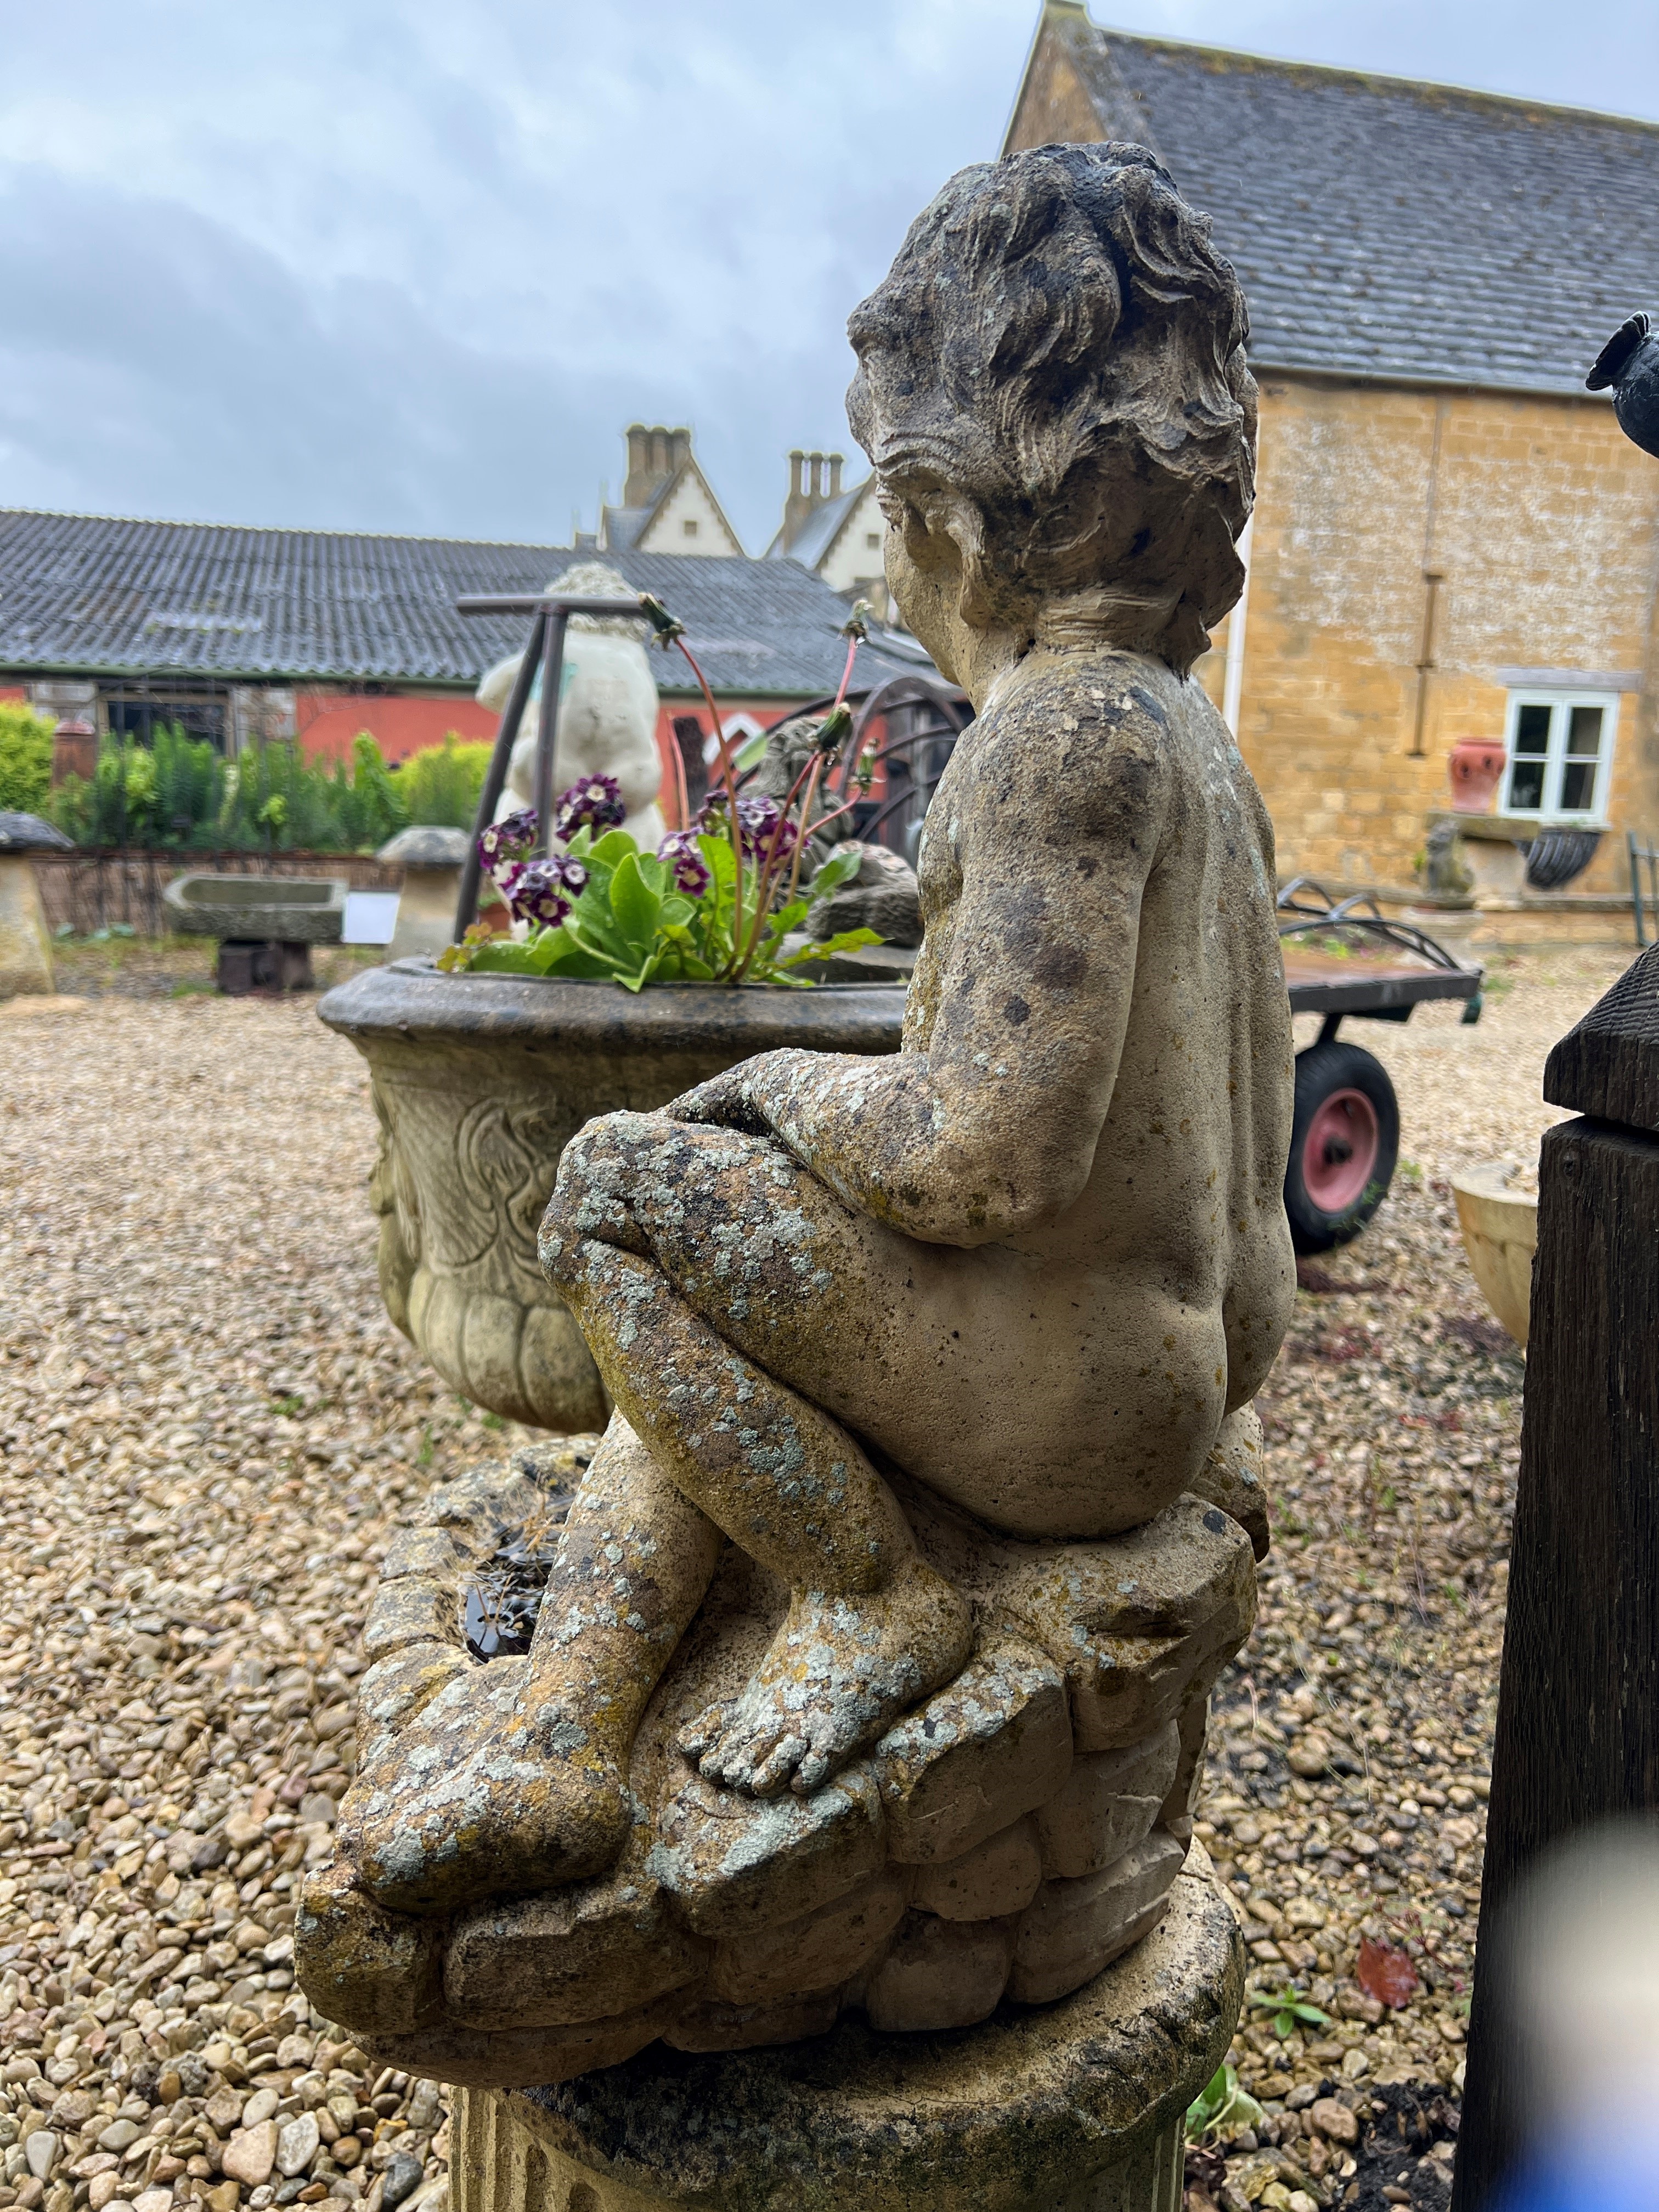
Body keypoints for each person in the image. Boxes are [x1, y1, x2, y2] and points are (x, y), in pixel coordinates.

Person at [343, 142, 1295, 1915]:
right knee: (712, 1288)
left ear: (948, 516)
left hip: (1065, 1407)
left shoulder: (1052, 734)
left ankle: (872, 1600)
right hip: (1163, 1375)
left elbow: (983, 1155)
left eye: (887, 508)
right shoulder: (1195, 746)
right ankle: (568, 1707)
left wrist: (778, 1080)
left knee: (624, 1191)